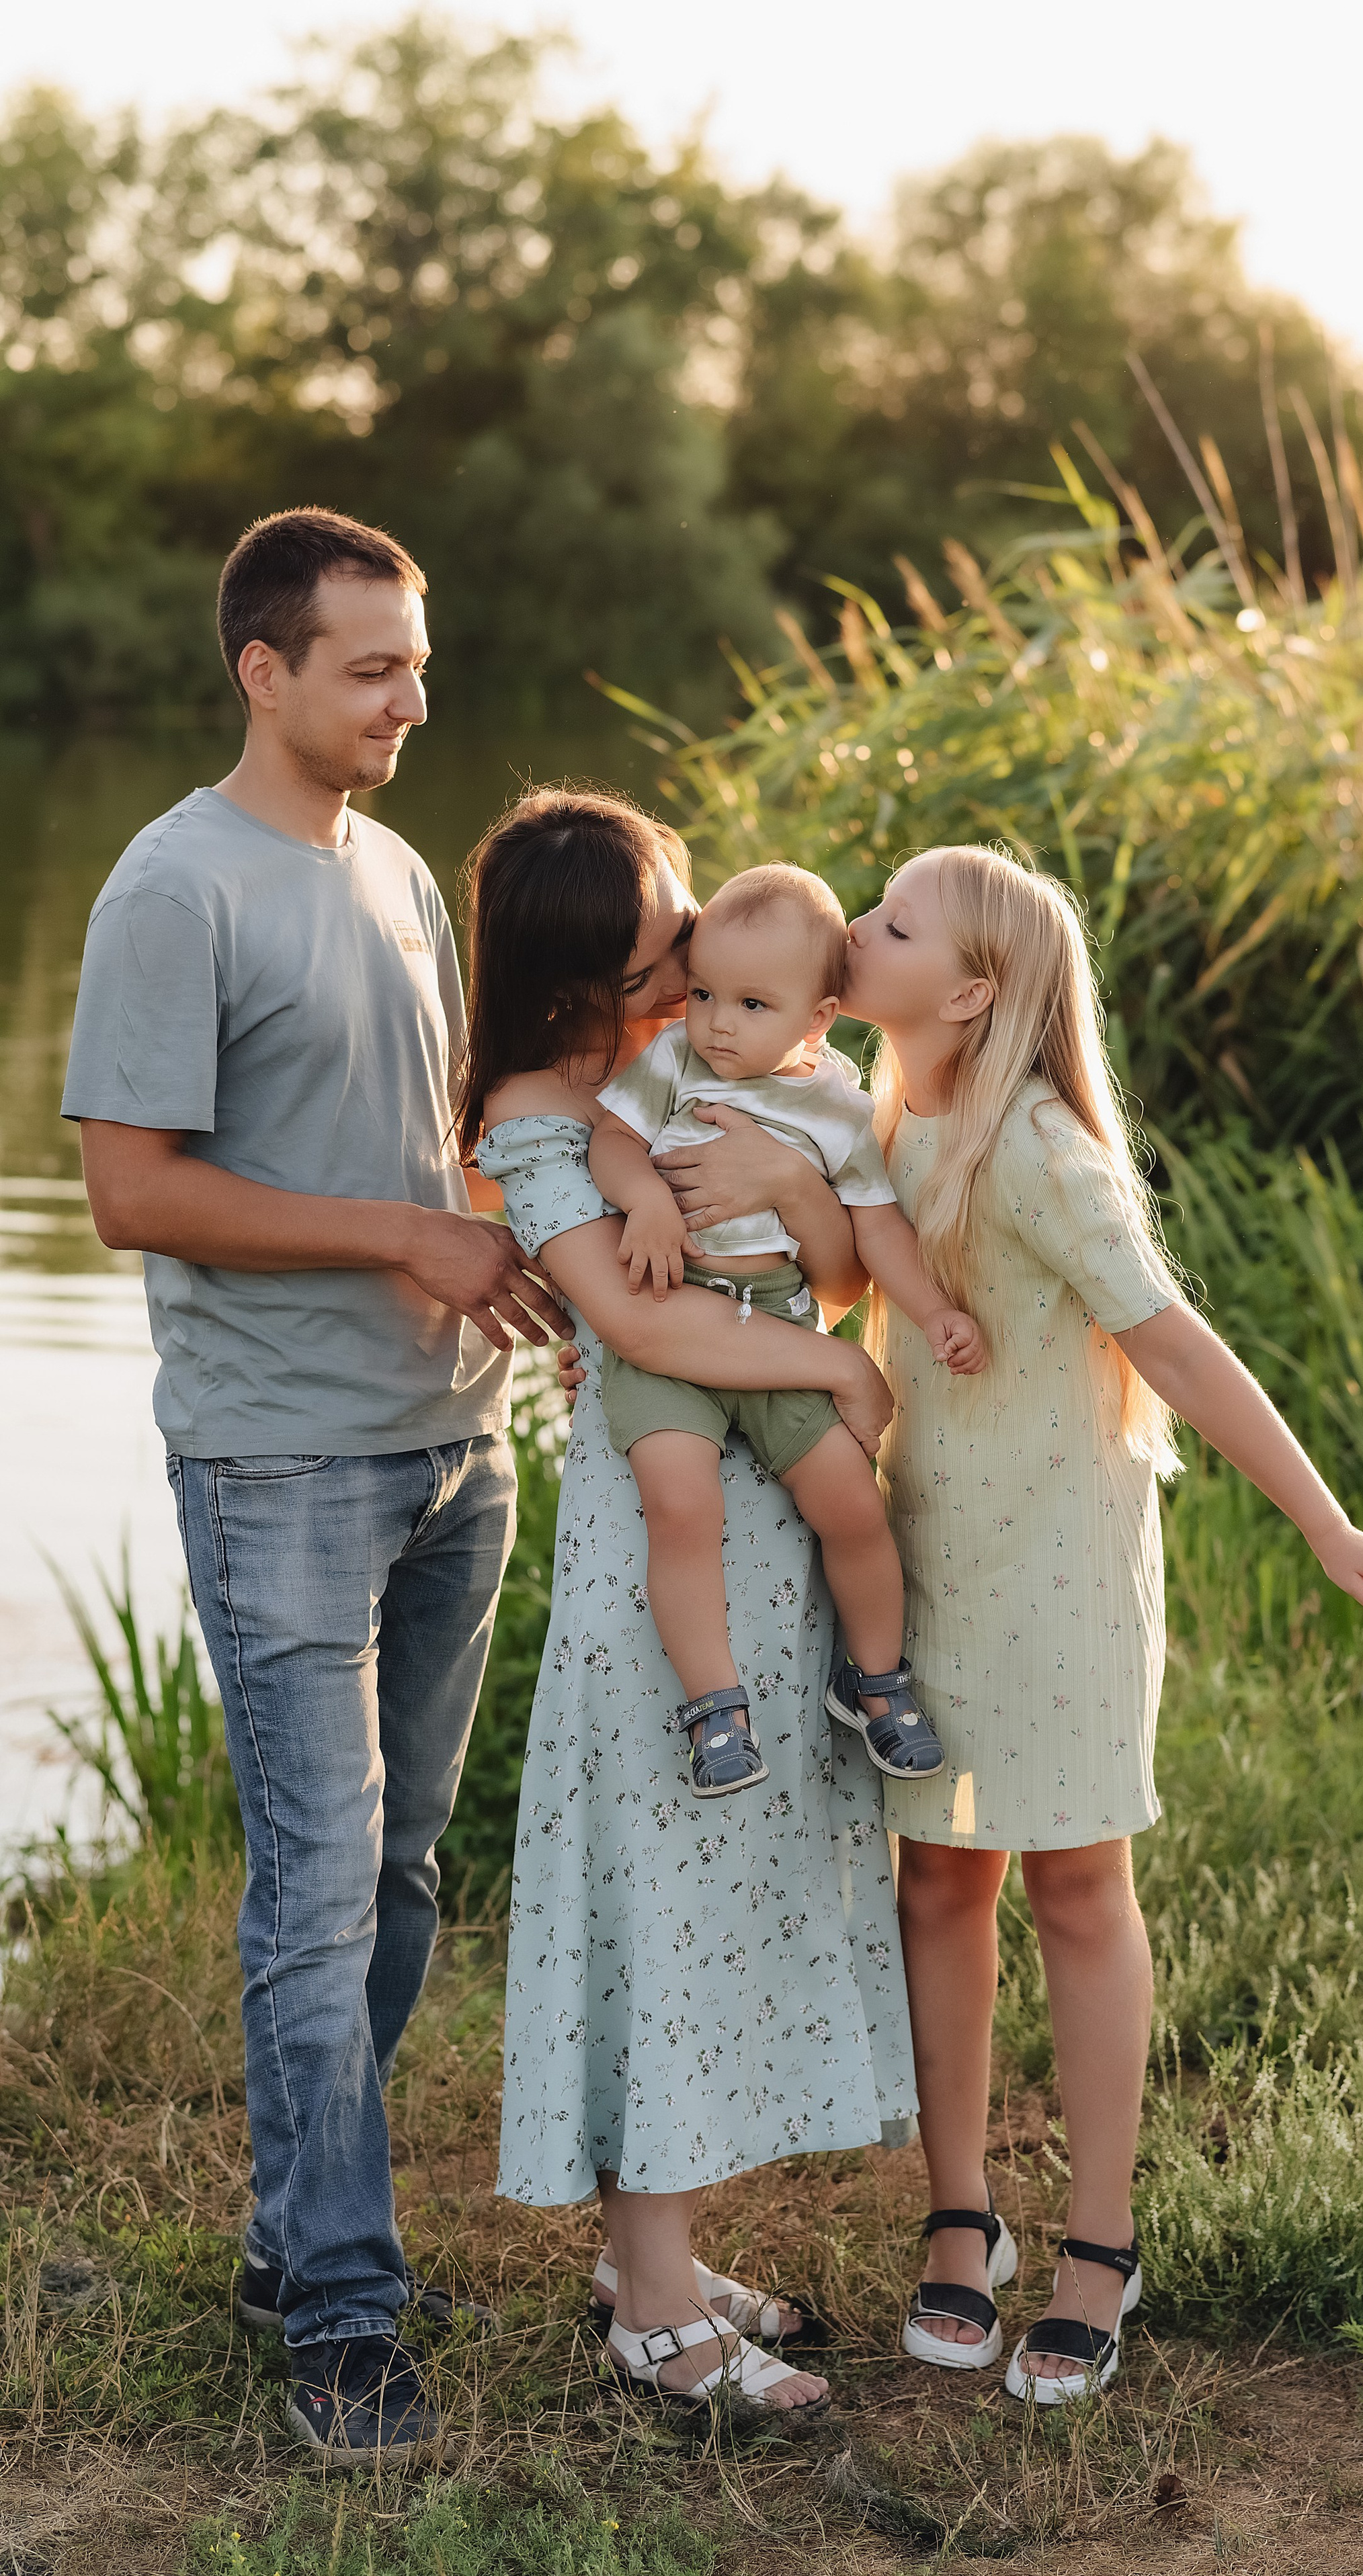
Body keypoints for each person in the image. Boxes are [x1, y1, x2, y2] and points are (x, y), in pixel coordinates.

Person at [60, 508, 577, 2462]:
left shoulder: (393, 878)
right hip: (278, 1454)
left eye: (420, 663)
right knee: (312, 1882)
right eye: (373, 667)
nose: (412, 700)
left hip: (453, 1447)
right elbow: (134, 1190)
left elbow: (435, 1147)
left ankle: (301, 2236)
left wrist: (542, 1260)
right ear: (262, 671)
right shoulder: (171, 887)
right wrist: (395, 1238)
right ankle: (345, 2316)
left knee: (401, 1874)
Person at [838, 844, 1363, 2406]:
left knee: (1078, 1884)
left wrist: (1324, 1521)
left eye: (890, 923)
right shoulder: (876, 1109)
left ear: (969, 990)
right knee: (937, 1882)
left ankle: (1098, 2237)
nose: (854, 928)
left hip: (1062, 1565)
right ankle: (958, 2213)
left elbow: (1170, 1342)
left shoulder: (1037, 1148)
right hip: (930, 1556)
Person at [457, 787, 917, 2416]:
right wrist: (832, 1370)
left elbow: (830, 1238)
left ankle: (651, 2247)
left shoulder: (684, 1083)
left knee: (716, 1867)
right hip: (660, 1552)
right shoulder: (537, 1110)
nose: (691, 952)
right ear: (590, 962)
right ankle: (651, 2304)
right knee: (653, 1871)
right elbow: (647, 1333)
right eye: (666, 936)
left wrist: (800, 1234)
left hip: (760, 1529)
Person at [587, 863, 979, 1799]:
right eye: (707, 993)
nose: (717, 1021)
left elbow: (876, 1231)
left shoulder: (840, 1110)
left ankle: (875, 1678)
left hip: (774, 1325)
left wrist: (934, 1311)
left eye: (753, 1003)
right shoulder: (673, 1064)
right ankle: (715, 1707)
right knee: (681, 1503)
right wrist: (643, 1197)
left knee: (850, 1499)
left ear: (819, 1017)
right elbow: (611, 1141)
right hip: (671, 1316)